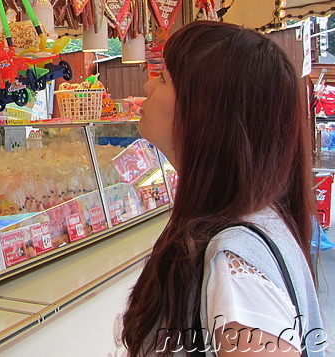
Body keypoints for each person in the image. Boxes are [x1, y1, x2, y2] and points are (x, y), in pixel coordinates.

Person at [123, 21, 325, 356]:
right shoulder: (250, 219)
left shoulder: (235, 262)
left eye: (163, 79)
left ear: (206, 110)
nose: (147, 85)